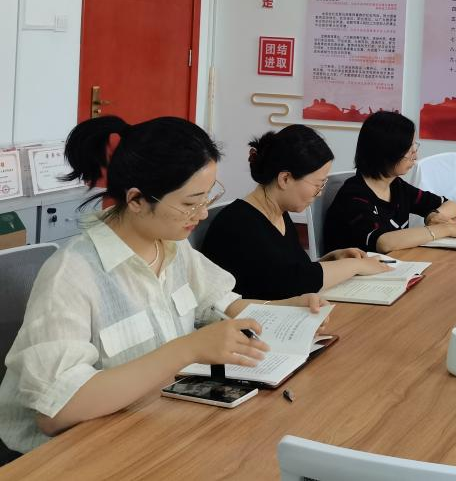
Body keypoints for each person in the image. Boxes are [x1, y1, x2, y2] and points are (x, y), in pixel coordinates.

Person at [0, 116, 325, 455]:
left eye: (207, 197)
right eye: (189, 203)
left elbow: (219, 303)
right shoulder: (72, 274)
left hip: (151, 425)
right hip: (73, 452)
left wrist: (285, 311)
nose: (201, 214)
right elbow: (56, 412)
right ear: (137, 200)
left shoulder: (171, 245)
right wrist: (187, 349)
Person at [200, 125, 390, 300]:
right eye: (318, 184)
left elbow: (284, 270)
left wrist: (331, 259)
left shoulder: (278, 212)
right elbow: (292, 283)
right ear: (285, 179)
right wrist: (354, 266)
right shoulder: (239, 224)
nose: (320, 192)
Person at [321, 111, 456, 254]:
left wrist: (434, 216)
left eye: (414, 147)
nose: (415, 156)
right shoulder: (354, 197)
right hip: (355, 276)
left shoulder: (396, 186)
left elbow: (452, 205)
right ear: (386, 153)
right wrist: (447, 228)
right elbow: (384, 242)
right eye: (409, 150)